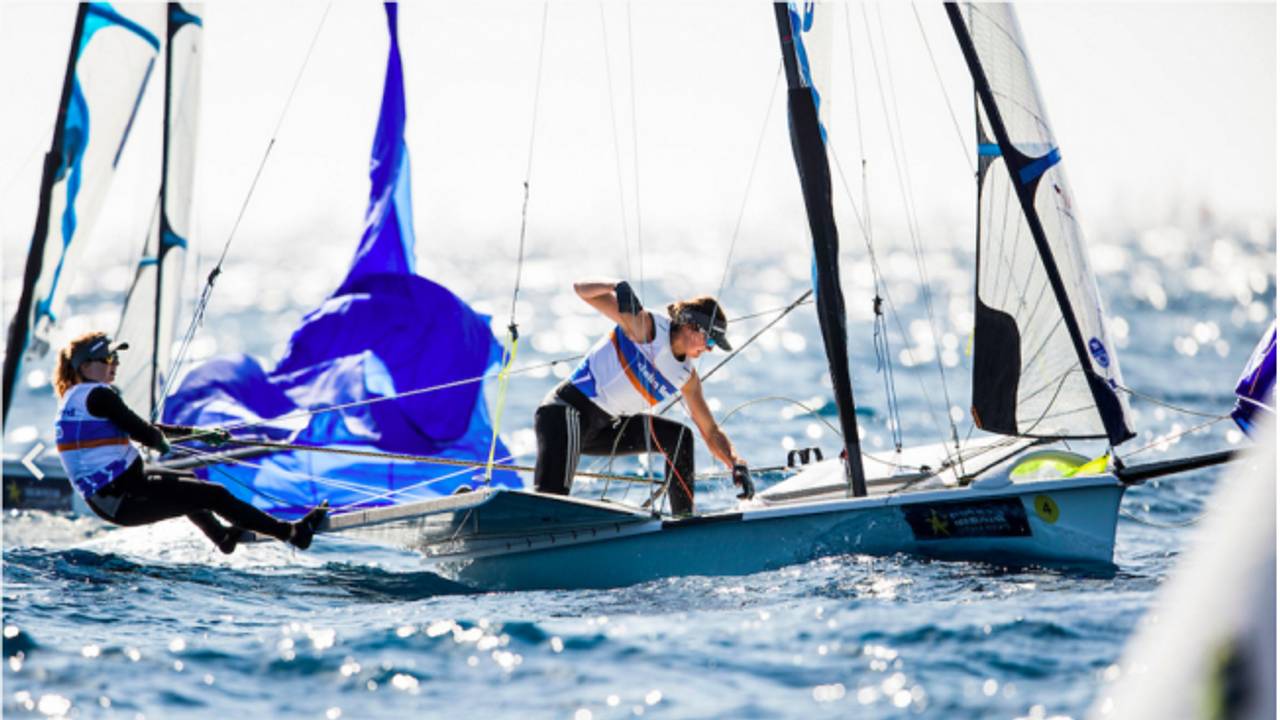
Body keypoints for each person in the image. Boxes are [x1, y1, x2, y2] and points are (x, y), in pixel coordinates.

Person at [52, 331, 327, 554]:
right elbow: (145, 433)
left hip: (116, 494)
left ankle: (223, 538)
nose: (115, 364)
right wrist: (159, 443)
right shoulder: (100, 395)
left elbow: (143, 427)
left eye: (115, 357)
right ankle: (292, 534)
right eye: (107, 358)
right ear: (85, 366)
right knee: (215, 494)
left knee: (187, 477)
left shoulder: (74, 398)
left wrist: (199, 434)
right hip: (124, 498)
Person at [533, 279, 754, 515]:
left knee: (679, 437)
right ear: (691, 326)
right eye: (710, 340)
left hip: (603, 428)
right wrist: (615, 286)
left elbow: (710, 432)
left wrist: (736, 463)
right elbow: (581, 291)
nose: (710, 349)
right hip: (565, 412)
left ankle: (683, 520)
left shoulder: (686, 376)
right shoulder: (646, 328)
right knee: (552, 503)